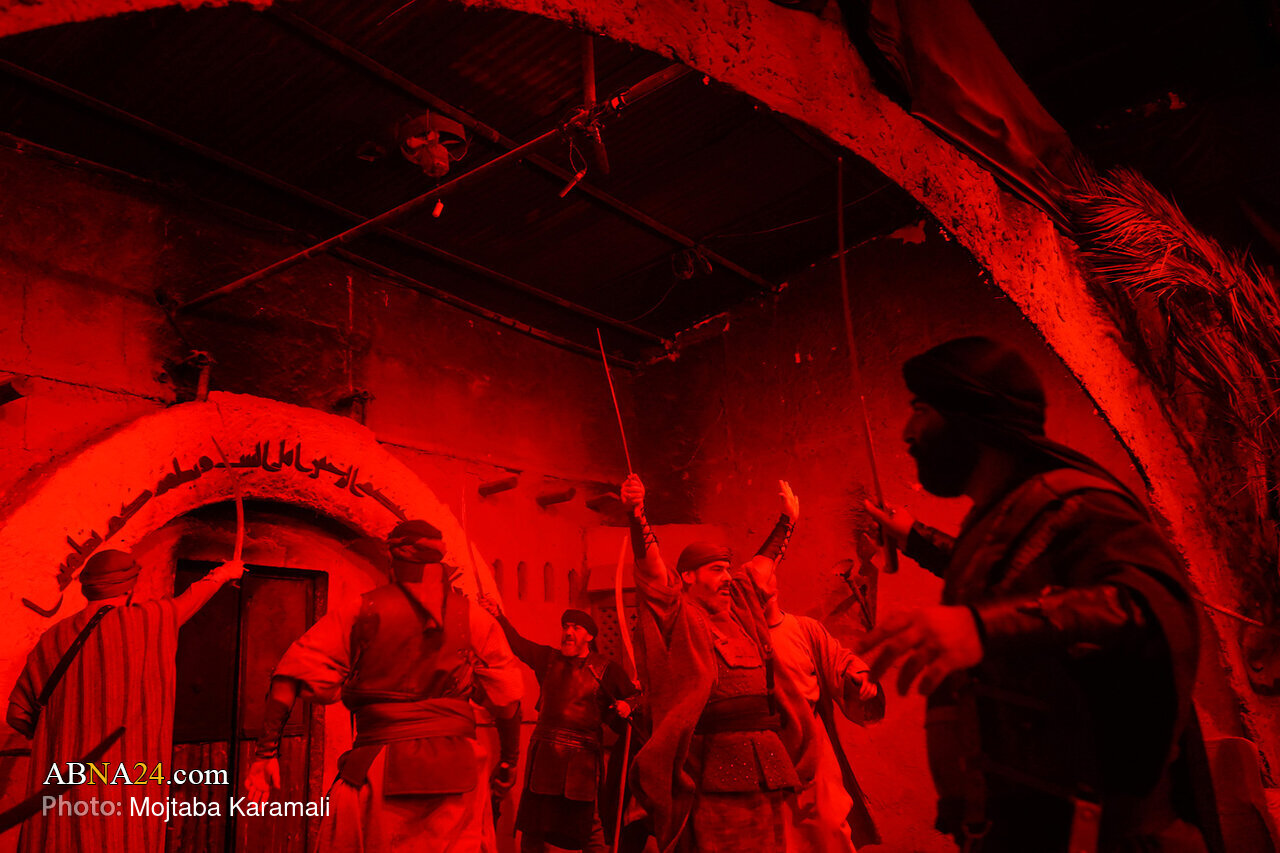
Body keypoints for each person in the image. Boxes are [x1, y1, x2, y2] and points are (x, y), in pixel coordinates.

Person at [858, 336, 1216, 852]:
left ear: (971, 418)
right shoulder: (1000, 518)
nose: (908, 434)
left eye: (922, 410)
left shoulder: (1083, 505)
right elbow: (1005, 579)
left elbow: (1146, 603)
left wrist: (982, 628)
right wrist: (914, 538)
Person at [244, 519, 523, 853]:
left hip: (379, 769)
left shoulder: (360, 610)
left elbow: (289, 676)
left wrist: (265, 755)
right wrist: (508, 761)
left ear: (393, 561)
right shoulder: (474, 618)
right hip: (459, 776)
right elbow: (508, 700)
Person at [6, 549, 244, 853]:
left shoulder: (52, 638)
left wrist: (59, 735)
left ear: (87, 587)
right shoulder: (149, 621)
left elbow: (18, 714)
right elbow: (191, 600)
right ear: (130, 587)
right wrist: (224, 573)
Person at [620, 473, 803, 853]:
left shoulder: (742, 607)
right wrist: (637, 514)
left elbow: (762, 566)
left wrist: (787, 521)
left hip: (766, 763)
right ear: (687, 576)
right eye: (716, 569)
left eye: (727, 568)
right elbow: (652, 570)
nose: (727, 578)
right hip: (713, 766)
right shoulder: (678, 611)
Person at [745, 482, 885, 852]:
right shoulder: (739, 638)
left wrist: (860, 679)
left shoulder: (804, 630)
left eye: (762, 576)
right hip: (766, 759)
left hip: (813, 758)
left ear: (775, 584)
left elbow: (841, 662)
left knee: (828, 831)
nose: (756, 582)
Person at [480, 600, 639, 852]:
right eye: (566, 626)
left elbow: (636, 697)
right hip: (544, 759)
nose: (568, 632)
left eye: (576, 628)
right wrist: (498, 615)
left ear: (589, 636)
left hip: (582, 764)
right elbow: (517, 644)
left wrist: (628, 704)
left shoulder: (606, 670)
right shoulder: (547, 659)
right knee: (533, 826)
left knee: (590, 827)